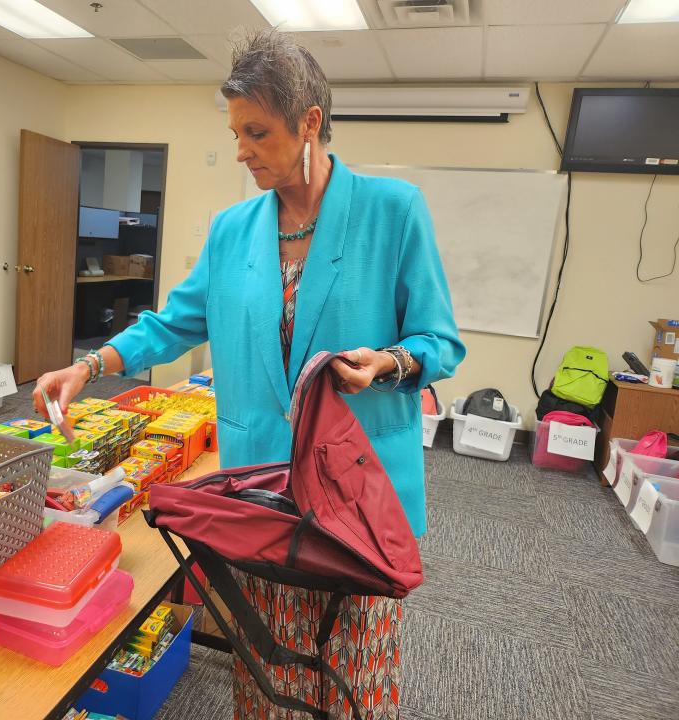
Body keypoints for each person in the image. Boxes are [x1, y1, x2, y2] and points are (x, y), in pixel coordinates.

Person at [36, 29, 464, 720]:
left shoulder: (393, 211)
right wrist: (90, 365)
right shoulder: (232, 229)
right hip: (260, 492)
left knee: (351, 676)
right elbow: (174, 322)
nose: (240, 150)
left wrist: (391, 362)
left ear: (309, 124)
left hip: (360, 495)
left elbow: (439, 342)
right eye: (235, 132)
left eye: (257, 132)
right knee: (266, 674)